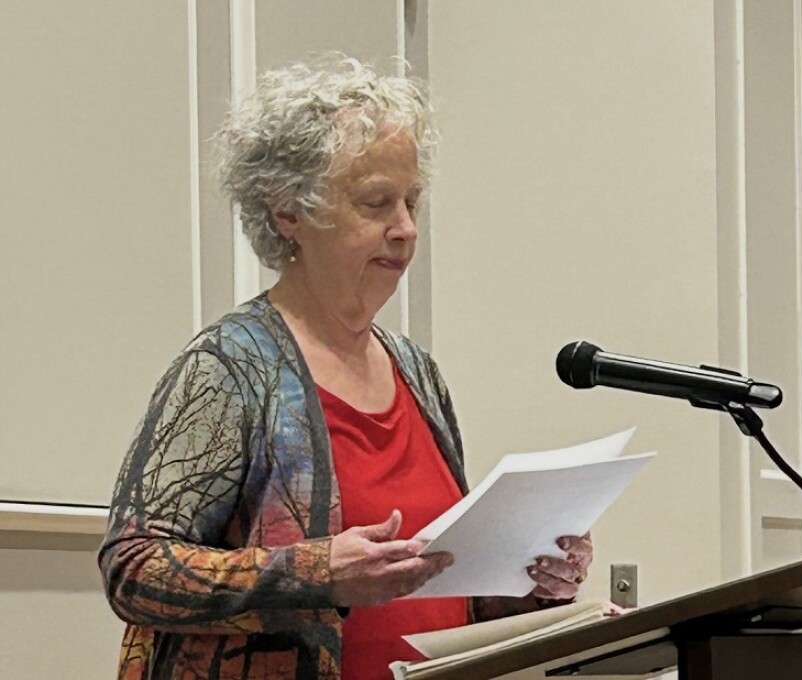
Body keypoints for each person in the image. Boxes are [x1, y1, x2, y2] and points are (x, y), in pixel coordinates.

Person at [99, 55, 593, 680]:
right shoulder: (228, 367)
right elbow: (134, 569)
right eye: (376, 203)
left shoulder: (416, 371)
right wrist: (319, 574)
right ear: (288, 213)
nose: (406, 229)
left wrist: (527, 584)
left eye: (412, 201)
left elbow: (435, 594)